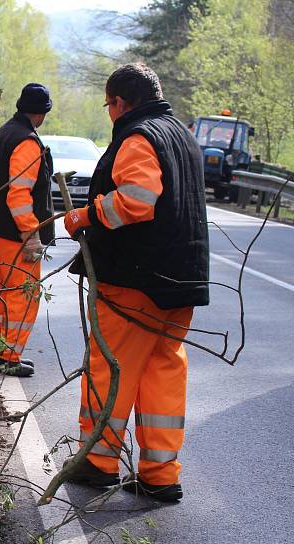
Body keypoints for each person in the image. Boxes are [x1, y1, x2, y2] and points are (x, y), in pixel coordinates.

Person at [62, 63, 209, 502]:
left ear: (121, 102)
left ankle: (98, 460)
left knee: (112, 367)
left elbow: (138, 202)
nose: (110, 113)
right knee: (163, 368)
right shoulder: (181, 135)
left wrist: (83, 216)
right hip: (180, 280)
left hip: (134, 279)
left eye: (109, 104)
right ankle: (160, 474)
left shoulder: (138, 137)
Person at [0, 83, 55, 377]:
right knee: (23, 296)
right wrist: (31, 236)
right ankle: (9, 357)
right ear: (42, 114)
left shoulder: (6, 132)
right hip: (17, 236)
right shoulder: (27, 141)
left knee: (3, 293)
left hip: (0, 233)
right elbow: (18, 196)